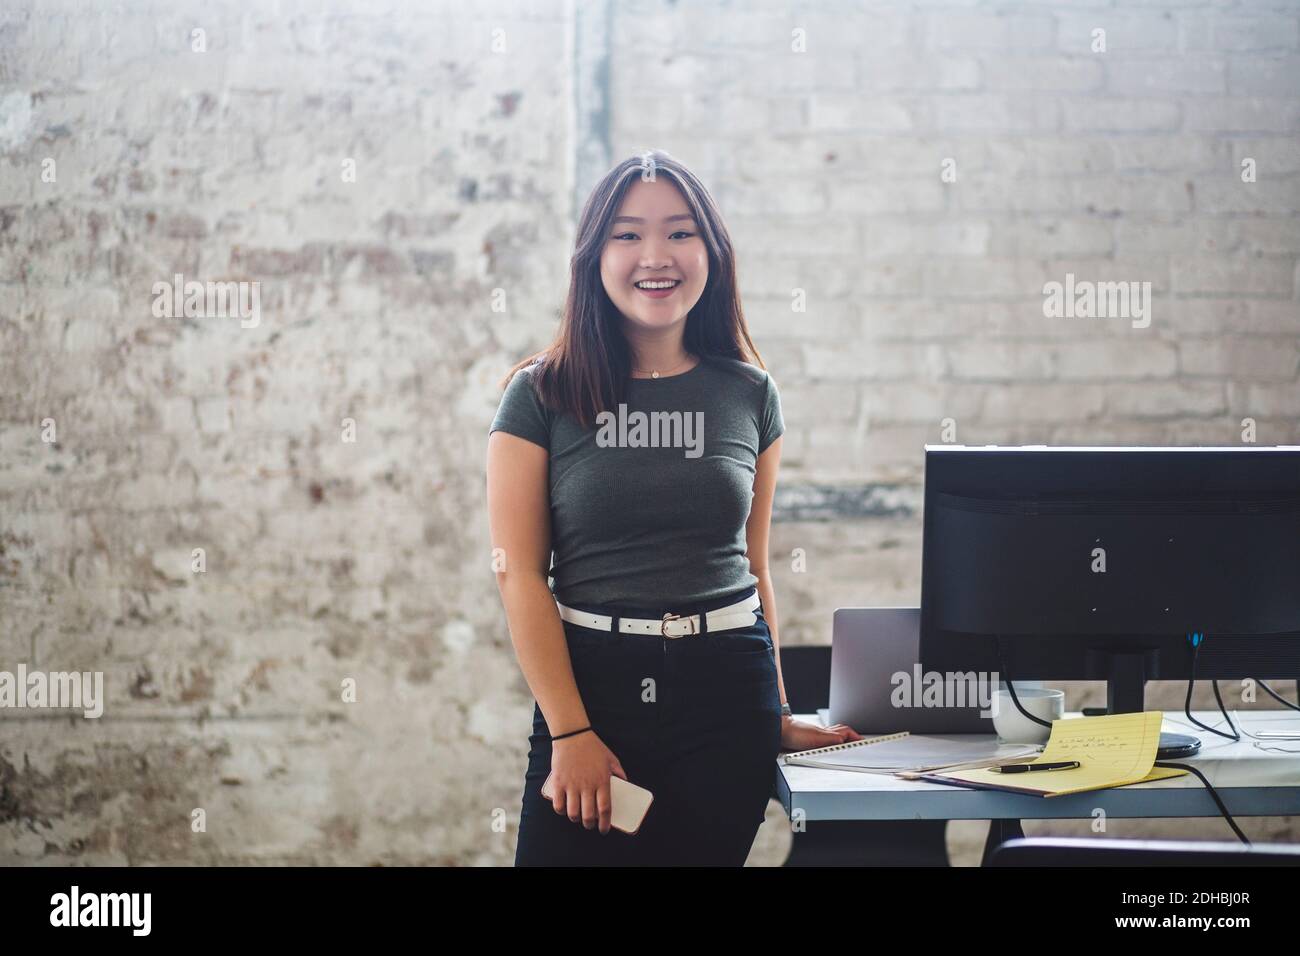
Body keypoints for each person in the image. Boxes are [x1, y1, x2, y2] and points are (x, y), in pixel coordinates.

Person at [486, 149, 861, 866]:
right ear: (593, 256)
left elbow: (752, 566)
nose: (655, 255)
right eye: (627, 234)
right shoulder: (540, 395)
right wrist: (570, 734)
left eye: (680, 232)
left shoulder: (749, 393)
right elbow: (519, 575)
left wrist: (777, 711)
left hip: (728, 697)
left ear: (710, 252)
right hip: (594, 693)